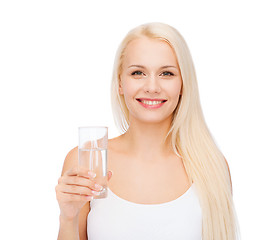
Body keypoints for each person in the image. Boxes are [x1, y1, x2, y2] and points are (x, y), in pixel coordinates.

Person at [55, 22, 240, 240]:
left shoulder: (211, 166)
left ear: (183, 84)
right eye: (138, 72)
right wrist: (68, 217)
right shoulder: (86, 161)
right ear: (120, 83)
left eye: (167, 73)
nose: (152, 87)